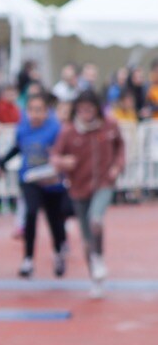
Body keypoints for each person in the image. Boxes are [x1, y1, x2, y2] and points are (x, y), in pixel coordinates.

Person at [51, 89, 125, 298]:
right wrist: (63, 163)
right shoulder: (69, 132)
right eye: (81, 110)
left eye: (89, 109)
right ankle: (95, 277)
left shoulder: (109, 126)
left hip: (103, 183)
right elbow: (55, 156)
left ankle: (99, 258)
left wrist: (117, 166)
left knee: (96, 219)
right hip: (78, 187)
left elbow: (121, 147)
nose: (86, 114)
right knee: (86, 238)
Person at [0, 91, 67, 279]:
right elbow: (17, 148)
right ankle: (27, 259)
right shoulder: (23, 128)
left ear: (46, 111)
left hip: (51, 181)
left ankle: (58, 251)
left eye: (39, 110)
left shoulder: (55, 129)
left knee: (54, 220)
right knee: (31, 213)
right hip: (29, 178)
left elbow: (64, 151)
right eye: (31, 110)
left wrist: (59, 163)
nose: (35, 114)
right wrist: (2, 163)